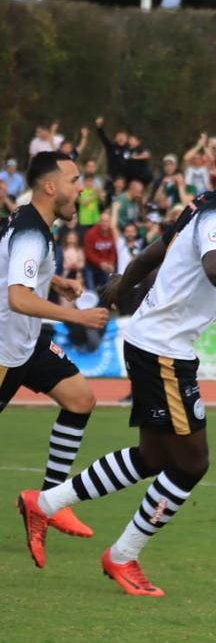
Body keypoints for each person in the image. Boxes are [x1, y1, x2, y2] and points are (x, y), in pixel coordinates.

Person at [20, 134, 216, 596]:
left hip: (156, 344)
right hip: (163, 351)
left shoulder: (210, 203)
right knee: (192, 463)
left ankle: (45, 502)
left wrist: (124, 283)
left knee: (155, 457)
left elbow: (160, 246)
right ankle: (122, 556)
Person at [3, 153, 110, 544]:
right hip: (5, 348)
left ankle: (49, 502)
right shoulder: (32, 231)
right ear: (50, 187)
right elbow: (17, 297)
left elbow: (13, 269)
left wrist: (56, 281)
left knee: (80, 399)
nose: (81, 188)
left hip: (27, 342)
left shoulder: (28, 218)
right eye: (74, 180)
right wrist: (77, 317)